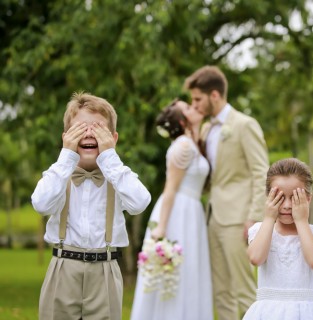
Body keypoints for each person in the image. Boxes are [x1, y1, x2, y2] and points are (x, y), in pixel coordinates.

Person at [31, 92, 151, 320]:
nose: (88, 134)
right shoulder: (58, 174)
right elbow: (41, 203)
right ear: (66, 136)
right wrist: (66, 155)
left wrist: (110, 158)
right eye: (80, 128)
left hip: (105, 269)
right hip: (63, 267)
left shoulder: (118, 177)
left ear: (113, 138)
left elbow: (140, 202)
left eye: (97, 128)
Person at [184, 65, 269, 319]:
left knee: (244, 289)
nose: (194, 104)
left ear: (215, 95)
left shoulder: (244, 125)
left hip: (239, 218)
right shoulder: (208, 129)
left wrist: (254, 216)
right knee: (220, 291)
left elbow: (261, 171)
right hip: (213, 217)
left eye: (198, 98)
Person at [130, 99, 213, 320]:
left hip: (192, 211)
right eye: (187, 108)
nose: (194, 107)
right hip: (179, 213)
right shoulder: (183, 146)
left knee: (190, 274)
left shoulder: (192, 142)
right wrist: (162, 229)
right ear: (181, 120)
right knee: (176, 275)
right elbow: (170, 189)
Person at [243, 158, 313, 320]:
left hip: (307, 313)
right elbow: (256, 258)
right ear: (268, 198)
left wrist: (301, 221)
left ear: (308, 198)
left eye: (295, 197)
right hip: (266, 313)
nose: (286, 205)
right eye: (279, 197)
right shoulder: (260, 230)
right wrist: (269, 218)